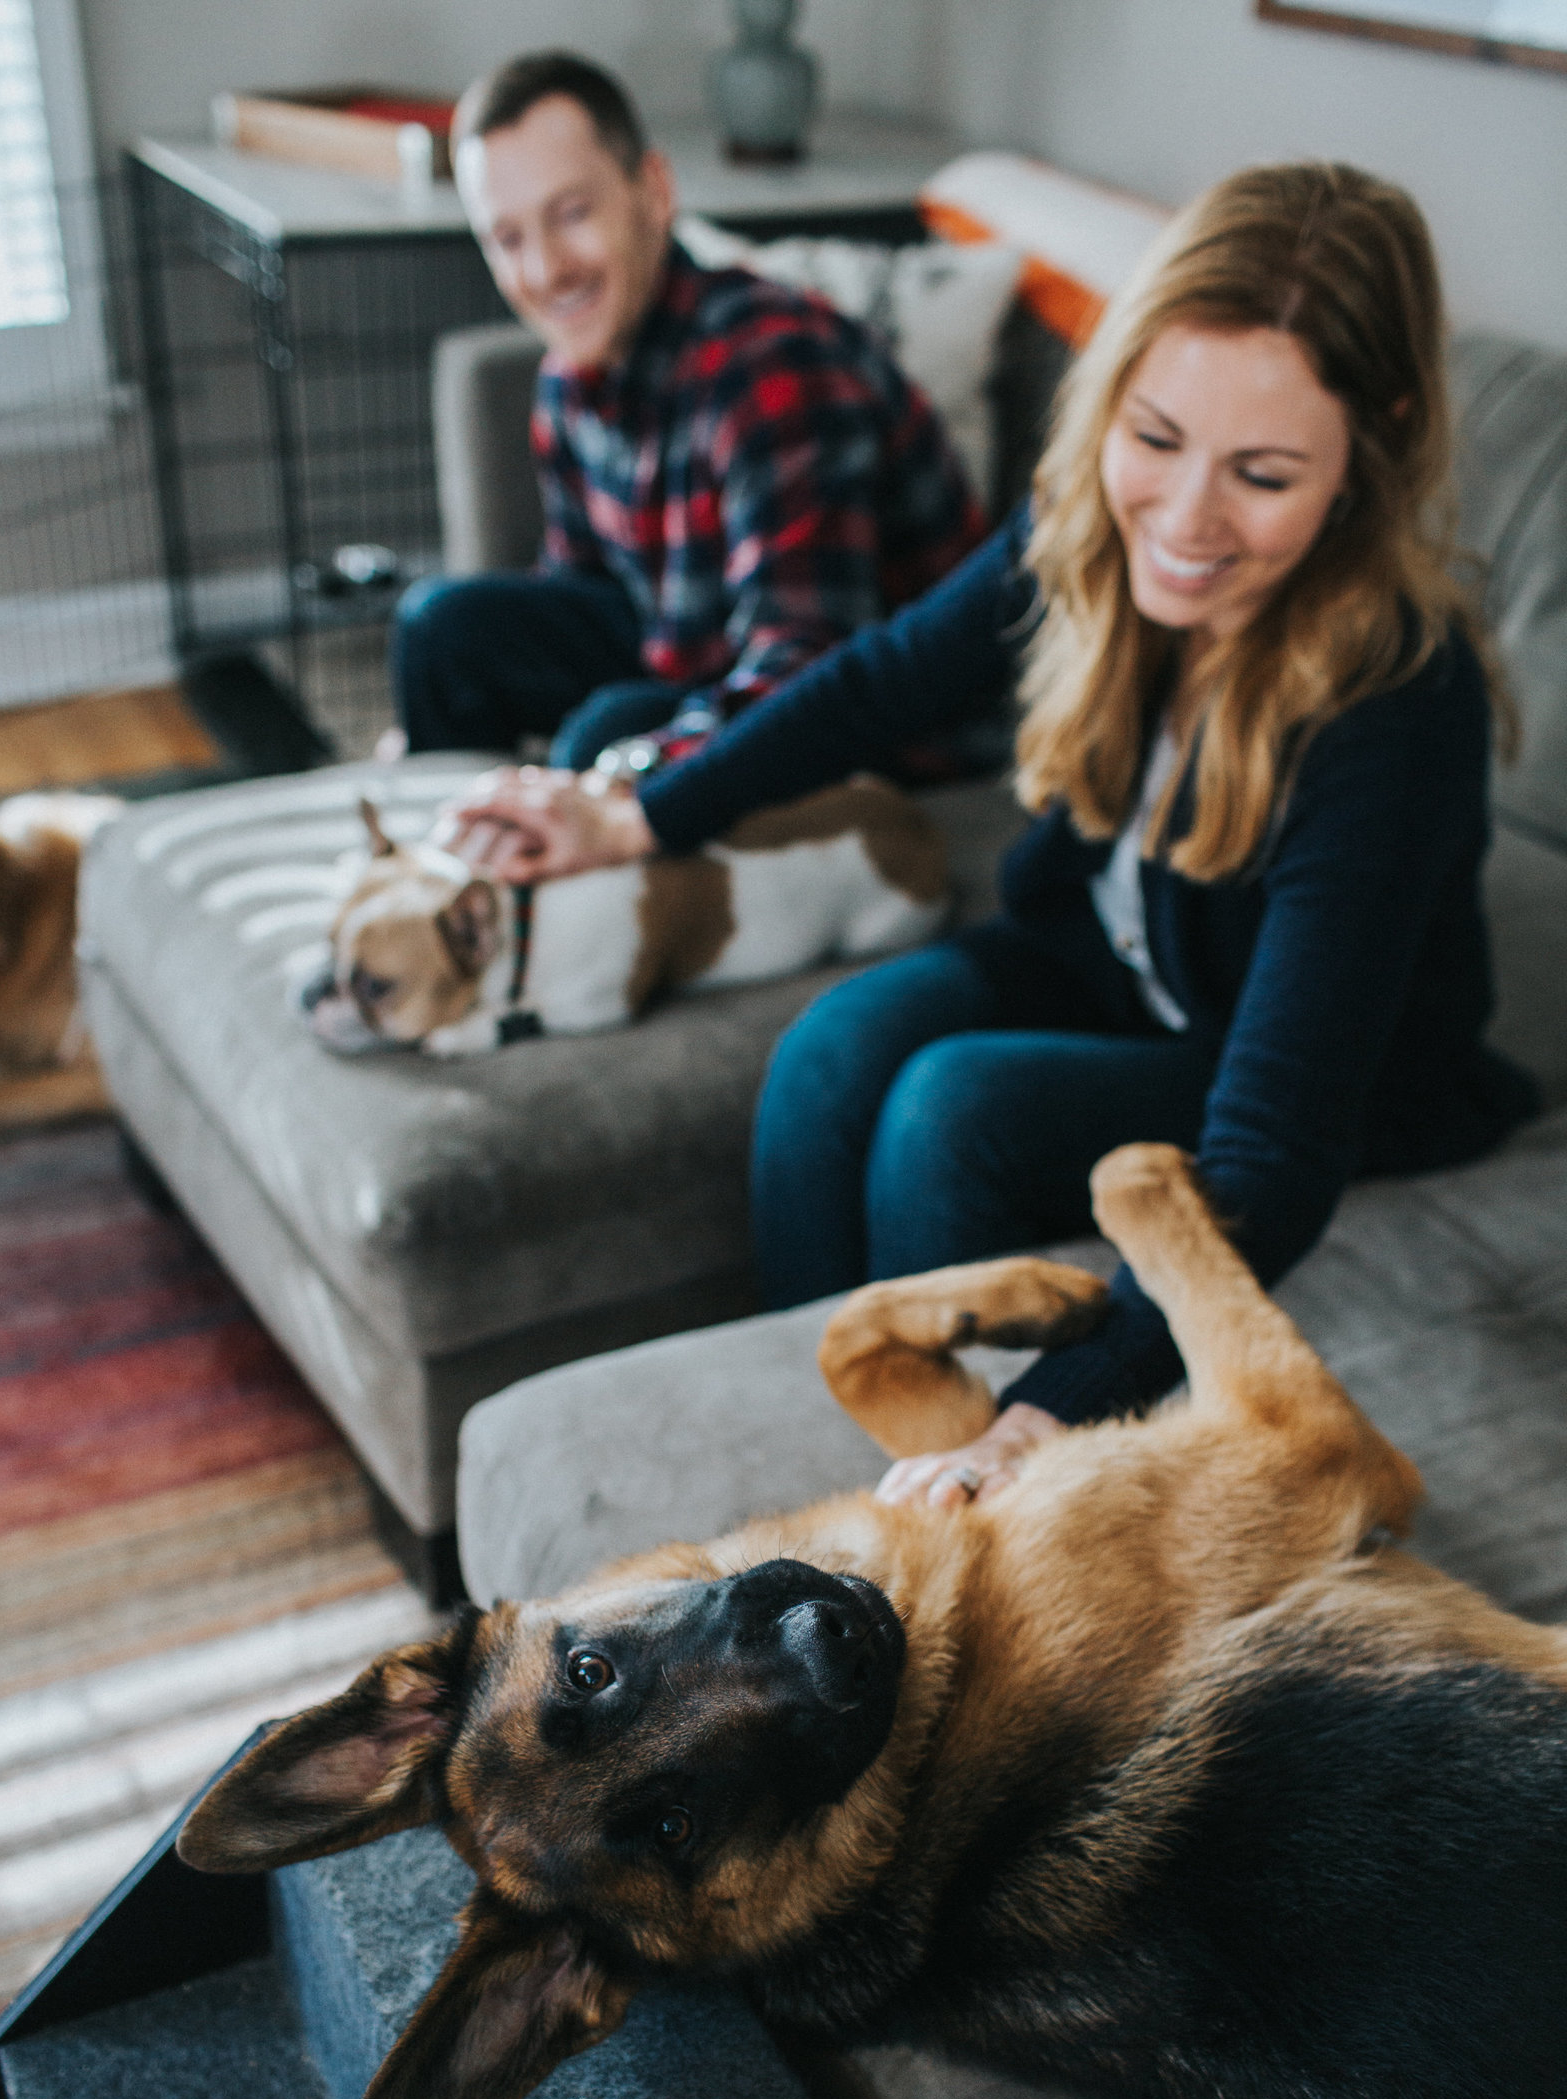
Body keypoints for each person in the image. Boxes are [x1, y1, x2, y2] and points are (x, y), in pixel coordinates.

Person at [448, 160, 1540, 1507]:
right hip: (1115, 966)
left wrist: (1040, 1423)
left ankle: (944, 1510)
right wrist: (634, 814)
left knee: (948, 1114)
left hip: (1337, 1075)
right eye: (1155, 438)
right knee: (831, 1049)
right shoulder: (1090, 525)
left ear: (1370, 450)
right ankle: (844, 1427)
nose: (1184, 521)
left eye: (1261, 474)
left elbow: (1275, 1150)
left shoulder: (1396, 703)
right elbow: (881, 677)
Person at [392, 50, 984, 776]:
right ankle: (455, 863)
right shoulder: (571, 379)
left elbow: (810, 670)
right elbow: (580, 589)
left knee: (601, 740)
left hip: (876, 725)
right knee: (439, 630)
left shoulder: (774, 370)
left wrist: (628, 764)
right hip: (696, 656)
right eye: (508, 238)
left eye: (572, 214)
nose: (544, 271)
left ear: (654, 190)